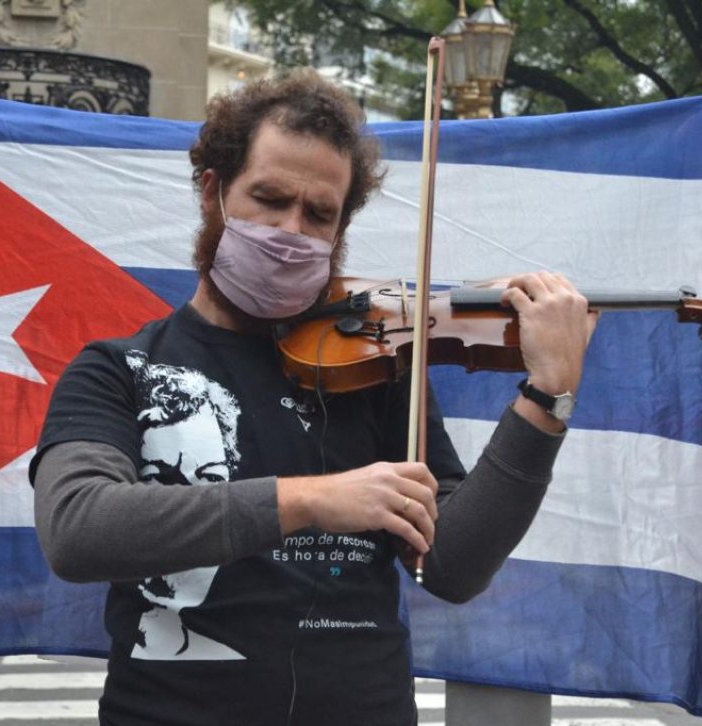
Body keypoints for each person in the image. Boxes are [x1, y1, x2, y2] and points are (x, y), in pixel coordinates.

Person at [30, 69, 596, 726]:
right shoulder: (118, 369)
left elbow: (451, 567)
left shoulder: (377, 369)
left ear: (341, 227)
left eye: (319, 214)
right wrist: (312, 498)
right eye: (269, 199)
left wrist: (546, 400)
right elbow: (77, 529)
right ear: (213, 192)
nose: (291, 230)